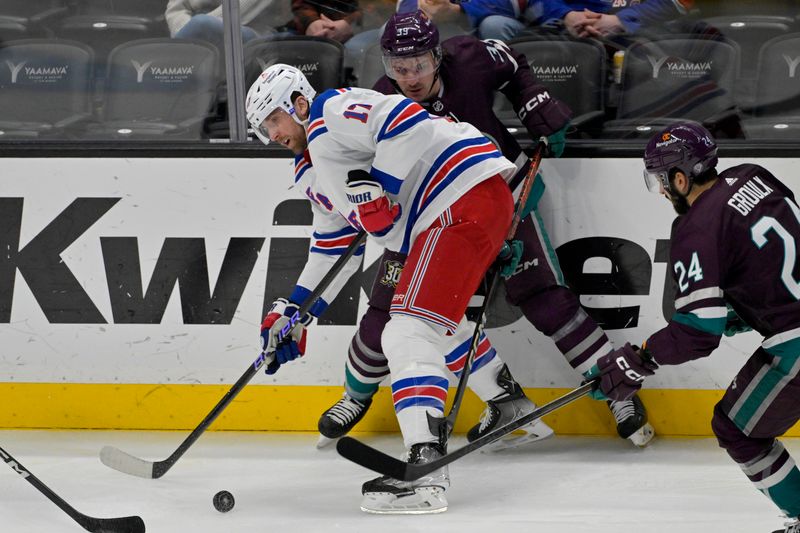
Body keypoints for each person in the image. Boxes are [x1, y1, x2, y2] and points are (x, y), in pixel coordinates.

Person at [317, 9, 655, 450]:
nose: (410, 77)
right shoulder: (381, 102)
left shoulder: (470, 60)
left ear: (437, 56)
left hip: (503, 195)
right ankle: (355, 394)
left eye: (419, 64)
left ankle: (619, 392)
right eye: (398, 68)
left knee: (544, 297)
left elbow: (512, 63)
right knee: (389, 306)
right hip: (430, 218)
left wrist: (533, 100)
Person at [247, 63, 518, 513]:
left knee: (406, 332)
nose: (271, 133)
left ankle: (425, 469)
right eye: (263, 129)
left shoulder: (328, 111)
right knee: (433, 328)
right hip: (453, 211)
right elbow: (333, 242)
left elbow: (405, 119)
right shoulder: (312, 169)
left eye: (274, 120)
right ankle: (508, 403)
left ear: (296, 103)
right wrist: (294, 311)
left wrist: (384, 189)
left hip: (459, 197)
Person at [590, 121, 800, 533]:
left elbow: (698, 333)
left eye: (662, 181)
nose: (664, 192)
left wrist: (640, 359)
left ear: (681, 177)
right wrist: (747, 308)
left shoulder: (695, 226)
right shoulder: (754, 175)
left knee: (736, 430)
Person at [532, 0, 690, 39]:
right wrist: (566, 15)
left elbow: (679, 3)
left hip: (640, 34)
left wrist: (621, 20)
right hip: (568, 32)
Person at [166, 0, 274, 50]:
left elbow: (245, 6)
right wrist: (185, 30)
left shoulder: (201, 24)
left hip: (252, 32)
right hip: (198, 29)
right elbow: (175, 10)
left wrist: (198, 27)